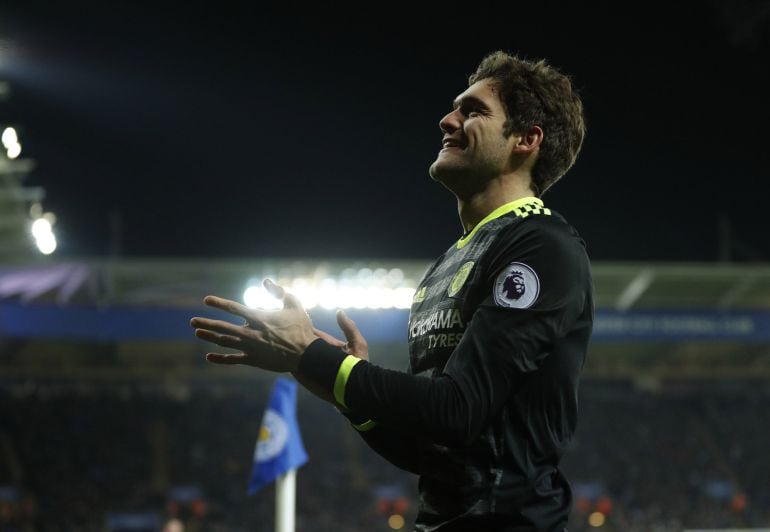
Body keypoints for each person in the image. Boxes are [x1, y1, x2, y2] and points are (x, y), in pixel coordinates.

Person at [190, 50, 593, 532]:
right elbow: (429, 449)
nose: (448, 120)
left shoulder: (541, 245)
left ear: (526, 140)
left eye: (473, 111)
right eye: (455, 108)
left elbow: (456, 409)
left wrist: (315, 356)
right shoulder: (447, 265)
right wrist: (342, 390)